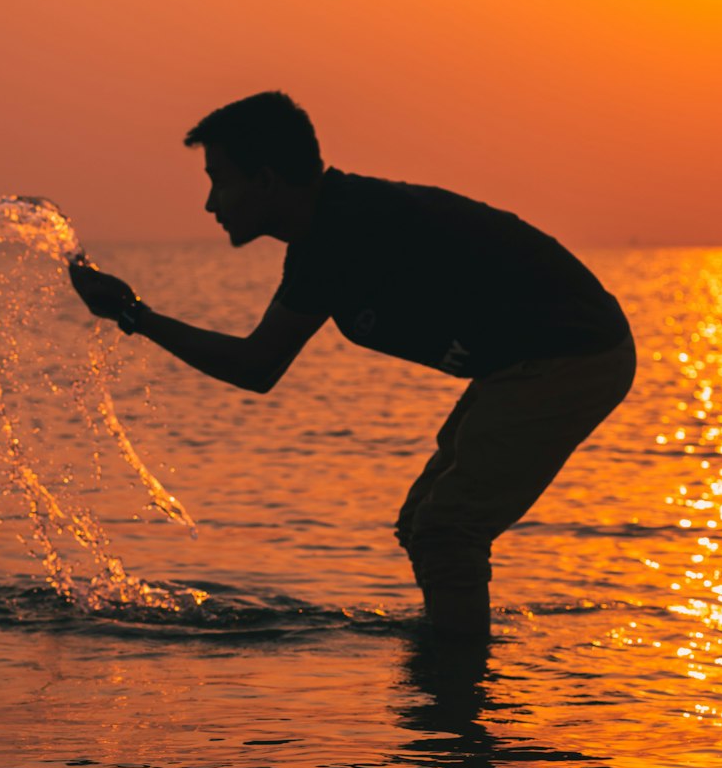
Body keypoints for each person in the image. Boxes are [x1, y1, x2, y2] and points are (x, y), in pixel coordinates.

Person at [69, 91, 635, 638]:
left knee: (446, 532)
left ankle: (458, 703)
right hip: (526, 360)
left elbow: (256, 366)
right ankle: (448, 666)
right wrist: (133, 314)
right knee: (422, 525)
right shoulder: (325, 235)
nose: (211, 204)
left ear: (265, 180)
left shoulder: (347, 227)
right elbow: (263, 361)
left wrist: (134, 313)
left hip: (573, 354)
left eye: (219, 180)